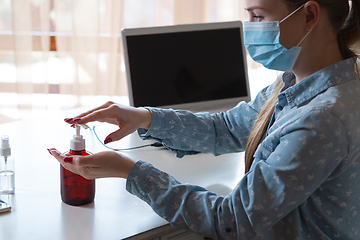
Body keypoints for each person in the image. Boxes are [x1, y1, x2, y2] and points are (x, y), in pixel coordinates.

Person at [49, 0, 360, 239]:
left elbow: (233, 220)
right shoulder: (295, 83)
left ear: (309, 15)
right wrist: (143, 117)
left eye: (258, 16)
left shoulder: (321, 119)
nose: (250, 27)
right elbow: (226, 128)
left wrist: (129, 171)